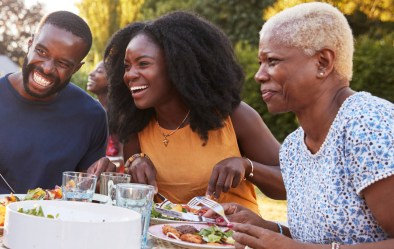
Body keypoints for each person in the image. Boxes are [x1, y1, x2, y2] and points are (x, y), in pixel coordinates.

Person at [216, 2, 394, 248]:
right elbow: (321, 241)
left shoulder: (370, 125)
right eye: (261, 62)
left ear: (322, 62)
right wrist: (266, 228)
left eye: (273, 60)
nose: (259, 74)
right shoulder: (293, 148)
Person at [104, 11, 285, 213]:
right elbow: (135, 204)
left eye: (143, 64)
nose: (130, 75)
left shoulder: (235, 116)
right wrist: (134, 162)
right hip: (167, 239)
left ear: (177, 67)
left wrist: (247, 166)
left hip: (233, 238)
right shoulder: (135, 125)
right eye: (127, 67)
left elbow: (289, 185)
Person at [0, 11, 115, 199]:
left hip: (58, 225)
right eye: (41, 52)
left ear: (77, 68)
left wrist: (99, 184)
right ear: (30, 43)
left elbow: (85, 194)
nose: (47, 68)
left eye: (63, 63)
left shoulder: (92, 115)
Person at [87, 61, 121, 159]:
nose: (91, 73)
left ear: (112, 79)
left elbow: (123, 157)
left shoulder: (121, 113)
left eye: (99, 71)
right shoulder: (88, 109)